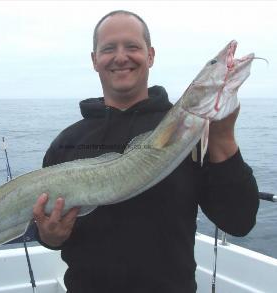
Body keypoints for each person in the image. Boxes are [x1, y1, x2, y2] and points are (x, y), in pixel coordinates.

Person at [32, 10, 259, 293]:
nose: (121, 56)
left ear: (150, 55)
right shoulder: (66, 143)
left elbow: (238, 221)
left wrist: (223, 136)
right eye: (108, 49)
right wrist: (50, 236)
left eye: (132, 47)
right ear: (94, 60)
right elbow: (42, 229)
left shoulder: (189, 132)